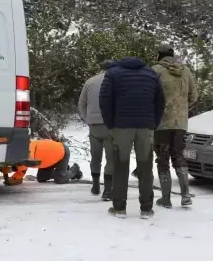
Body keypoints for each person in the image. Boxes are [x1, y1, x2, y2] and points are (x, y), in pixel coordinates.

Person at [99, 56, 165, 219]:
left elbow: (105, 102)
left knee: (121, 166)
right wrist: (153, 123)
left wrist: (111, 124)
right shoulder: (151, 74)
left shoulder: (113, 74)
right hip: (146, 127)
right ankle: (146, 208)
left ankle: (119, 208)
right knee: (145, 167)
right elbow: (160, 102)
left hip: (121, 127)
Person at [152, 43, 198, 208]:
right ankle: (185, 195)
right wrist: (183, 110)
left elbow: (150, 94)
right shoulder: (185, 71)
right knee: (178, 156)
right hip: (180, 123)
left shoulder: (156, 70)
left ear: (159, 55)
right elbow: (194, 96)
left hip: (161, 123)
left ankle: (166, 198)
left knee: (162, 159)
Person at [78, 60, 114, 200]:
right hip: (110, 125)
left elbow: (81, 103)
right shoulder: (114, 82)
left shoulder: (90, 82)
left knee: (95, 157)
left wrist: (87, 118)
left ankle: (95, 185)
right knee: (111, 159)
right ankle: (108, 191)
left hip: (94, 125)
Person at [0, 139, 82, 185]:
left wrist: (11, 169)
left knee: (60, 179)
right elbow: (22, 166)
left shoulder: (28, 151)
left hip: (62, 152)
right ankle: (62, 170)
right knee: (41, 178)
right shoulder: (22, 149)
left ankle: (75, 169)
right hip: (49, 159)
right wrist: (16, 178)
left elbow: (24, 163)